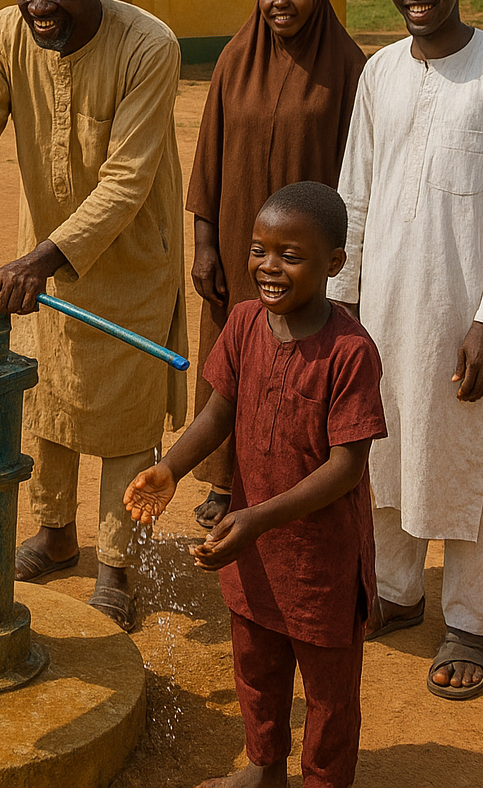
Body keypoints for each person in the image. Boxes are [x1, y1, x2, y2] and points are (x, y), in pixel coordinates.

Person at [0, 0, 186, 631]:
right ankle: (54, 533)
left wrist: (43, 260)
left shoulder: (149, 45)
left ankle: (116, 566)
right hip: (36, 257)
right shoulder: (1, 35)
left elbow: (126, 180)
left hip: (132, 262)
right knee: (45, 398)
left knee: (125, 417)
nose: (39, 8)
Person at [332, 0, 483, 700]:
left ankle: (468, 620)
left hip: (464, 312)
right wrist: (342, 304)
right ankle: (398, 590)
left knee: (468, 463)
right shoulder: (379, 71)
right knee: (381, 450)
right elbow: (354, 194)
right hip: (381, 304)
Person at [126, 181, 385, 788]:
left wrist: (259, 517)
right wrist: (171, 468)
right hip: (254, 550)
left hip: (321, 561)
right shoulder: (243, 322)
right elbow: (218, 412)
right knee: (255, 663)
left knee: (328, 692)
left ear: (334, 264)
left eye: (290, 256)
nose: (268, 268)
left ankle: (323, 779)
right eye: (258, 250)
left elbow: (348, 465)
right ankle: (265, 766)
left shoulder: (350, 351)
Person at [187, 0, 365, 530]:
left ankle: (290, 479)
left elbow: (359, 165)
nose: (281, 2)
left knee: (304, 354)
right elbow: (209, 154)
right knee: (232, 351)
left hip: (306, 251)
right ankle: (224, 477)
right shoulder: (235, 58)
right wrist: (206, 244)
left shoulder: (346, 66)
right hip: (243, 241)